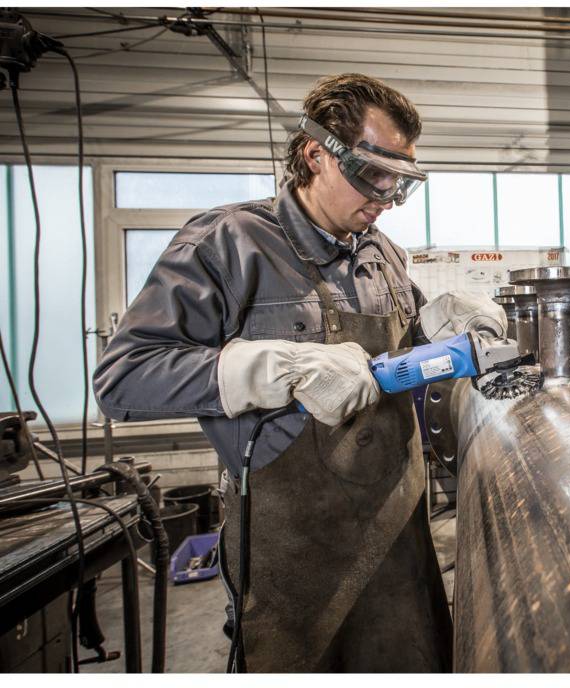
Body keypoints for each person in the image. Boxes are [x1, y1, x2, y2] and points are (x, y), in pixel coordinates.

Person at [93, 73, 506, 672]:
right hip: (294, 558)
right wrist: (269, 369)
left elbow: (405, 347)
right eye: (373, 173)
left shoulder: (380, 252)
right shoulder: (228, 242)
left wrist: (443, 323)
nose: (386, 196)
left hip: (398, 537)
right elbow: (124, 377)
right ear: (316, 154)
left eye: (401, 181)